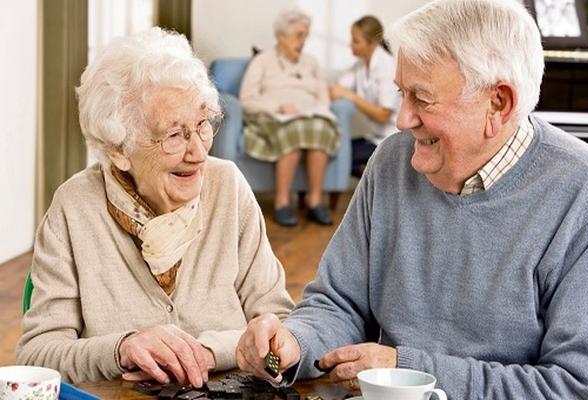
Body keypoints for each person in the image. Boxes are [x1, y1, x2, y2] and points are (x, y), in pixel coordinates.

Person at [236, 0, 588, 398]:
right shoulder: (392, 161)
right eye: (401, 93)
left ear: (498, 103)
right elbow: (339, 303)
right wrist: (296, 342)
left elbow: (576, 386)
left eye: (421, 99)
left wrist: (409, 370)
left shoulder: (585, 192)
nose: (401, 119)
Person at [16, 28, 294, 385]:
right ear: (118, 149)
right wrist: (121, 348)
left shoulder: (228, 187)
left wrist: (207, 353)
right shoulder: (75, 207)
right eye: (174, 135)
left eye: (202, 125)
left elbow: (279, 325)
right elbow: (38, 355)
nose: (198, 152)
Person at [239, 9, 340, 227]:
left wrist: (319, 110)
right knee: (293, 131)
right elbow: (247, 99)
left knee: (320, 128)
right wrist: (278, 106)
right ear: (281, 36)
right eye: (299, 35)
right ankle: (282, 203)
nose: (303, 41)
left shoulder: (311, 63)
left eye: (306, 35)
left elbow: (323, 97)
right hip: (274, 115)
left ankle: (314, 201)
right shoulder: (262, 61)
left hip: (309, 115)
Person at [330, 15, 401, 177]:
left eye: (356, 41)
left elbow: (384, 115)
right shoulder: (361, 65)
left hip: (393, 137)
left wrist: (351, 96)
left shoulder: (386, 66)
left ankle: (373, 177)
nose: (351, 44)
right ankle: (371, 176)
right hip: (375, 137)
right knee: (335, 151)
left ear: (372, 43)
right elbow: (337, 89)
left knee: (341, 159)